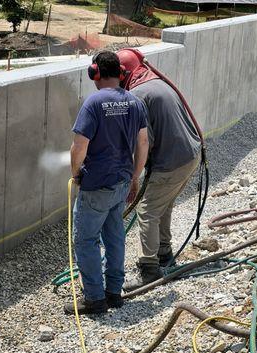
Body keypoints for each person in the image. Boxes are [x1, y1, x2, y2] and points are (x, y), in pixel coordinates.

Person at [64, 51, 149, 315]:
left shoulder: (93, 103)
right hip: (122, 182)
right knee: (114, 237)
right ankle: (114, 293)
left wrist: (77, 174)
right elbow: (143, 143)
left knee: (86, 241)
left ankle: (94, 299)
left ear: (95, 73)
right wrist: (135, 177)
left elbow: (79, 147)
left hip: (97, 185)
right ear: (121, 74)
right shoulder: (135, 103)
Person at [117, 48, 202, 291]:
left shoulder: (137, 95)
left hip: (171, 162)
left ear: (123, 74)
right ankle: (164, 252)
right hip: (189, 155)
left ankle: (149, 270)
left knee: (147, 211)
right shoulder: (156, 82)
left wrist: (134, 177)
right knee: (162, 205)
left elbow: (145, 143)